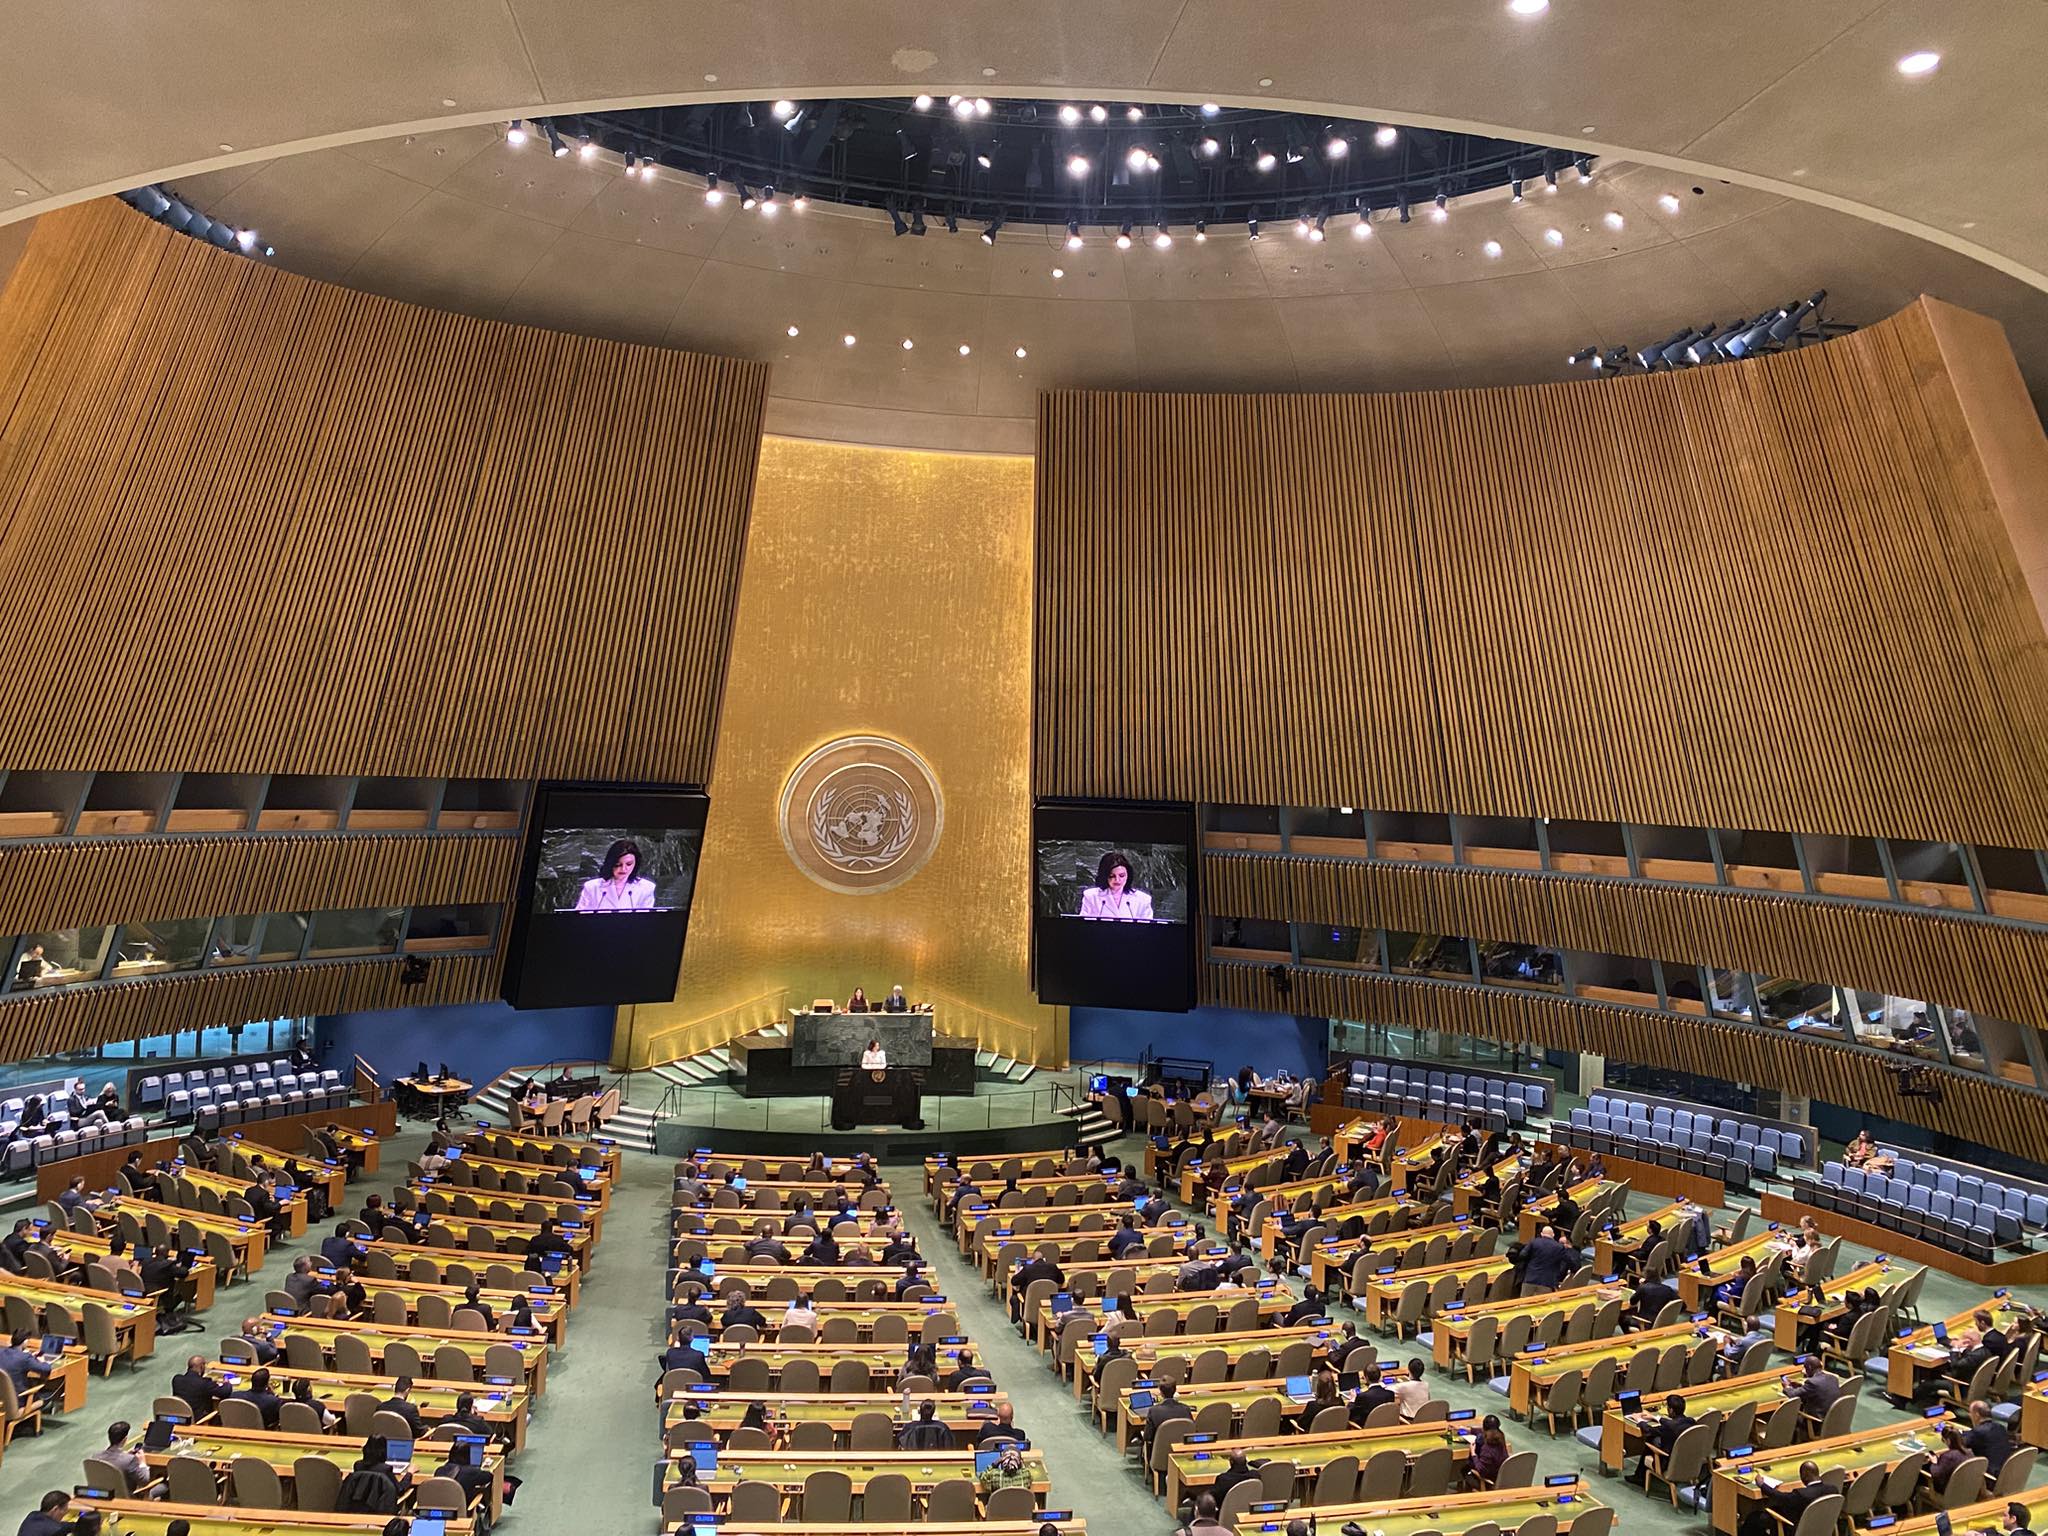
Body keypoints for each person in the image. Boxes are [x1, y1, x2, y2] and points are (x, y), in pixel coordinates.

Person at [1738, 1461, 1827, 1536]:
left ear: (1804, 1476)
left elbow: (1779, 1497)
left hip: (1795, 1528)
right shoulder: (1833, 1489)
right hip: (1823, 1526)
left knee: (1754, 1518)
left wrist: (1762, 1485)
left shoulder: (1801, 1494)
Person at [574, 839, 656, 912]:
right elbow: (580, 917)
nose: (624, 869)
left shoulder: (646, 888)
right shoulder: (592, 887)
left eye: (629, 864)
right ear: (611, 863)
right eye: (618, 864)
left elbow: (644, 920)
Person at [1633, 1393, 1695, 1486]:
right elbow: (1673, 1423)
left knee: (1651, 1438)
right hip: (1687, 1459)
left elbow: (1649, 1430)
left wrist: (1639, 1420)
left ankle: (1639, 1477)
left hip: (1668, 1463)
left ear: (1671, 1410)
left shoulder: (1670, 1427)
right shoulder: (1690, 1421)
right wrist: (1655, 1417)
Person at [1079, 850, 1155, 920]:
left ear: (1128, 875)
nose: (1117, 880)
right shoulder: (1091, 896)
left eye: (1122, 875)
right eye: (1112, 876)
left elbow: (1146, 929)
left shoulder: (1143, 899)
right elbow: (1084, 925)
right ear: (1105, 876)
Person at [85, 1421, 148, 1492]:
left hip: (103, 1496)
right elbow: (144, 1481)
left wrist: (126, 1454)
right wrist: (142, 1462)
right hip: (124, 1499)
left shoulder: (95, 1457)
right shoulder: (130, 1460)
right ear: (125, 1439)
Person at [1968, 1397, 2015, 1478]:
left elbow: (1960, 1443)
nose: (1969, 1416)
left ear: (1977, 1414)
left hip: (1989, 1477)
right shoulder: (2001, 1428)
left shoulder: (1978, 1432)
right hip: (2006, 1474)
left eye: (1970, 1413)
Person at [1783, 1356, 1842, 1422]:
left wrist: (1787, 1386)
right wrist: (1800, 1386)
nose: (1804, 1371)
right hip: (1832, 1419)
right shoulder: (1833, 1378)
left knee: (1787, 1417)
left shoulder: (1812, 1383)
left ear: (1810, 1368)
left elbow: (1792, 1394)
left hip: (1816, 1422)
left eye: (1805, 1368)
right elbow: (1818, 1389)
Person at [1520, 1225, 1576, 1294]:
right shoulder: (1559, 1247)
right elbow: (1570, 1262)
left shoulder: (1534, 1242)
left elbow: (1522, 1255)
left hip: (1529, 1279)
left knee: (1524, 1303)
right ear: (1553, 1235)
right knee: (1542, 1304)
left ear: (1541, 1234)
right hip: (1547, 1282)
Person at [0, 1332, 54, 1397]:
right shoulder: (25, 1358)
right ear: (25, 1342)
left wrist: (32, 1357)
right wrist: (43, 1361)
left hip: (3, 1400)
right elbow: (46, 1369)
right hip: (19, 1399)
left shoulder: (1, 1352)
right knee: (49, 1395)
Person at [17, 1491, 90, 1536]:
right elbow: (58, 1528)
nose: (65, 1514)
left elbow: (62, 1526)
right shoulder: (56, 1531)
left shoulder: (32, 1515)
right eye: (65, 1510)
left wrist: (76, 1525)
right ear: (55, 1509)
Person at [1467, 1420, 1510, 1488]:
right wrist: (1467, 1429)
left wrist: (1473, 1453)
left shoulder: (1487, 1449)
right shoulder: (1501, 1438)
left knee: (1465, 1470)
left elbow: (1480, 1470)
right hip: (1500, 1475)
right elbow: (1482, 1430)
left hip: (1489, 1480)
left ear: (1484, 1429)